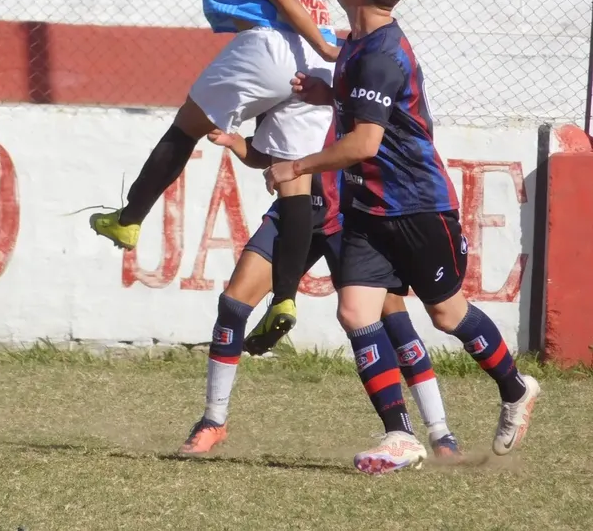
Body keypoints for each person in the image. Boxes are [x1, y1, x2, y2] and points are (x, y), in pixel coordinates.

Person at [265, 0, 540, 474]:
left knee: (446, 314)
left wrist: (296, 167)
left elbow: (365, 144)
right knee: (354, 312)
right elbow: (366, 117)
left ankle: (515, 387)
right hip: (369, 210)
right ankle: (399, 434)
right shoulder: (357, 44)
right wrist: (330, 96)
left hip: (417, 207)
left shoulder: (383, 56)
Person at [91, 0, 338, 351]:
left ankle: (130, 218)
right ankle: (285, 299)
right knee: (293, 181)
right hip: (314, 60)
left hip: (276, 45)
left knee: (185, 128)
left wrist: (332, 47)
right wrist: (326, 51)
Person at [179, 117, 462, 460]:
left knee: (393, 319)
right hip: (294, 213)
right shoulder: (283, 81)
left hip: (349, 219)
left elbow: (364, 144)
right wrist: (234, 141)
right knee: (234, 304)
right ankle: (213, 420)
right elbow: (266, 154)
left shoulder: (338, 86)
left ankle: (440, 433)